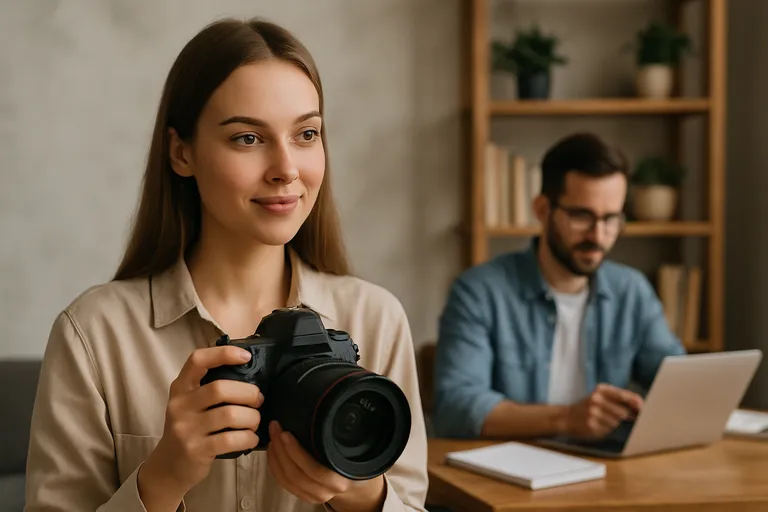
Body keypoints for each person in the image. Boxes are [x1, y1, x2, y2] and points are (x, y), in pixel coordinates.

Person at [25, 18, 428, 512]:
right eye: (248, 139)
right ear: (181, 153)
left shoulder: (376, 319)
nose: (286, 168)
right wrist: (163, 478)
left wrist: (366, 497)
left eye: (306, 133)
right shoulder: (93, 334)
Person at [433, 132, 686, 440]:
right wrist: (567, 419)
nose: (598, 235)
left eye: (611, 219)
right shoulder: (479, 291)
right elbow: (456, 407)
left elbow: (677, 380)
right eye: (582, 216)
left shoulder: (631, 290)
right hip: (511, 471)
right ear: (542, 210)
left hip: (608, 470)